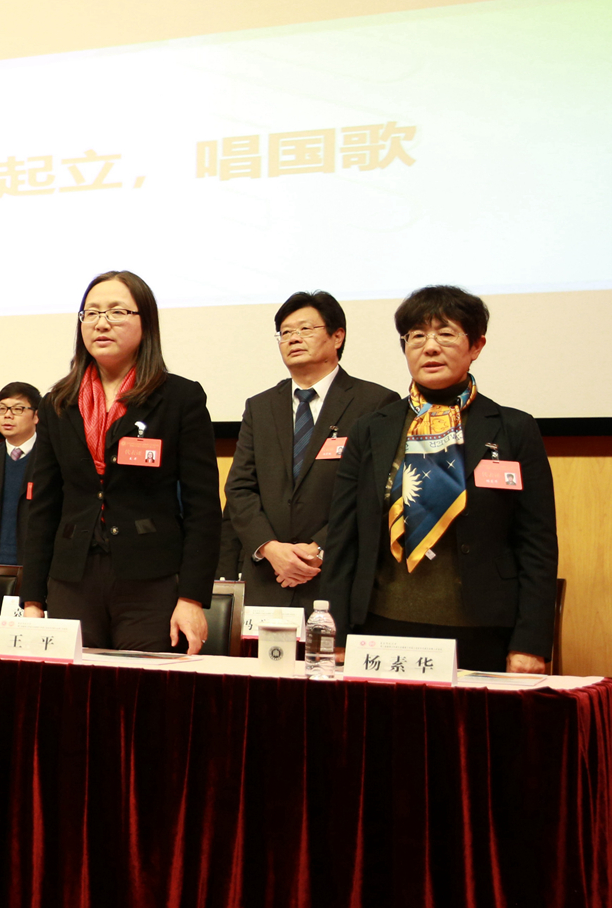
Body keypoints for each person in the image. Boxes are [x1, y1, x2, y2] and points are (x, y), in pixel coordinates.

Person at [321, 286, 557, 673]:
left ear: (476, 345)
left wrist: (530, 643)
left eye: (445, 334)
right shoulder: (372, 429)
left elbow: (537, 545)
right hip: (382, 625)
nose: (430, 347)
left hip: (483, 631)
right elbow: (344, 539)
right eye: (416, 336)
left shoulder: (514, 429)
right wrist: (336, 632)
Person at [20, 272, 219, 652]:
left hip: (150, 578)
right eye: (92, 313)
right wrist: (32, 600)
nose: (102, 323)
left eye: (117, 312)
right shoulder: (58, 403)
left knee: (143, 685)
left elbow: (203, 508)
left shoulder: (179, 398)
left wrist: (192, 598)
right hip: (71, 577)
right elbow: (44, 507)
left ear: (146, 322)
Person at [224, 291, 401, 610]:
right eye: (285, 332)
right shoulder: (260, 407)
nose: (293, 338)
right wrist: (271, 548)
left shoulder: (375, 403)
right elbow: (239, 488)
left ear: (337, 337)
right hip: (268, 577)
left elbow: (374, 494)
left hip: (336, 574)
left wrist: (319, 548)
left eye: (305, 329)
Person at [0, 382, 40, 566]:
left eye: (18, 409)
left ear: (36, 416)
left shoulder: (51, 458)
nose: (7, 415)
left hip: (35, 566)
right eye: (2, 409)